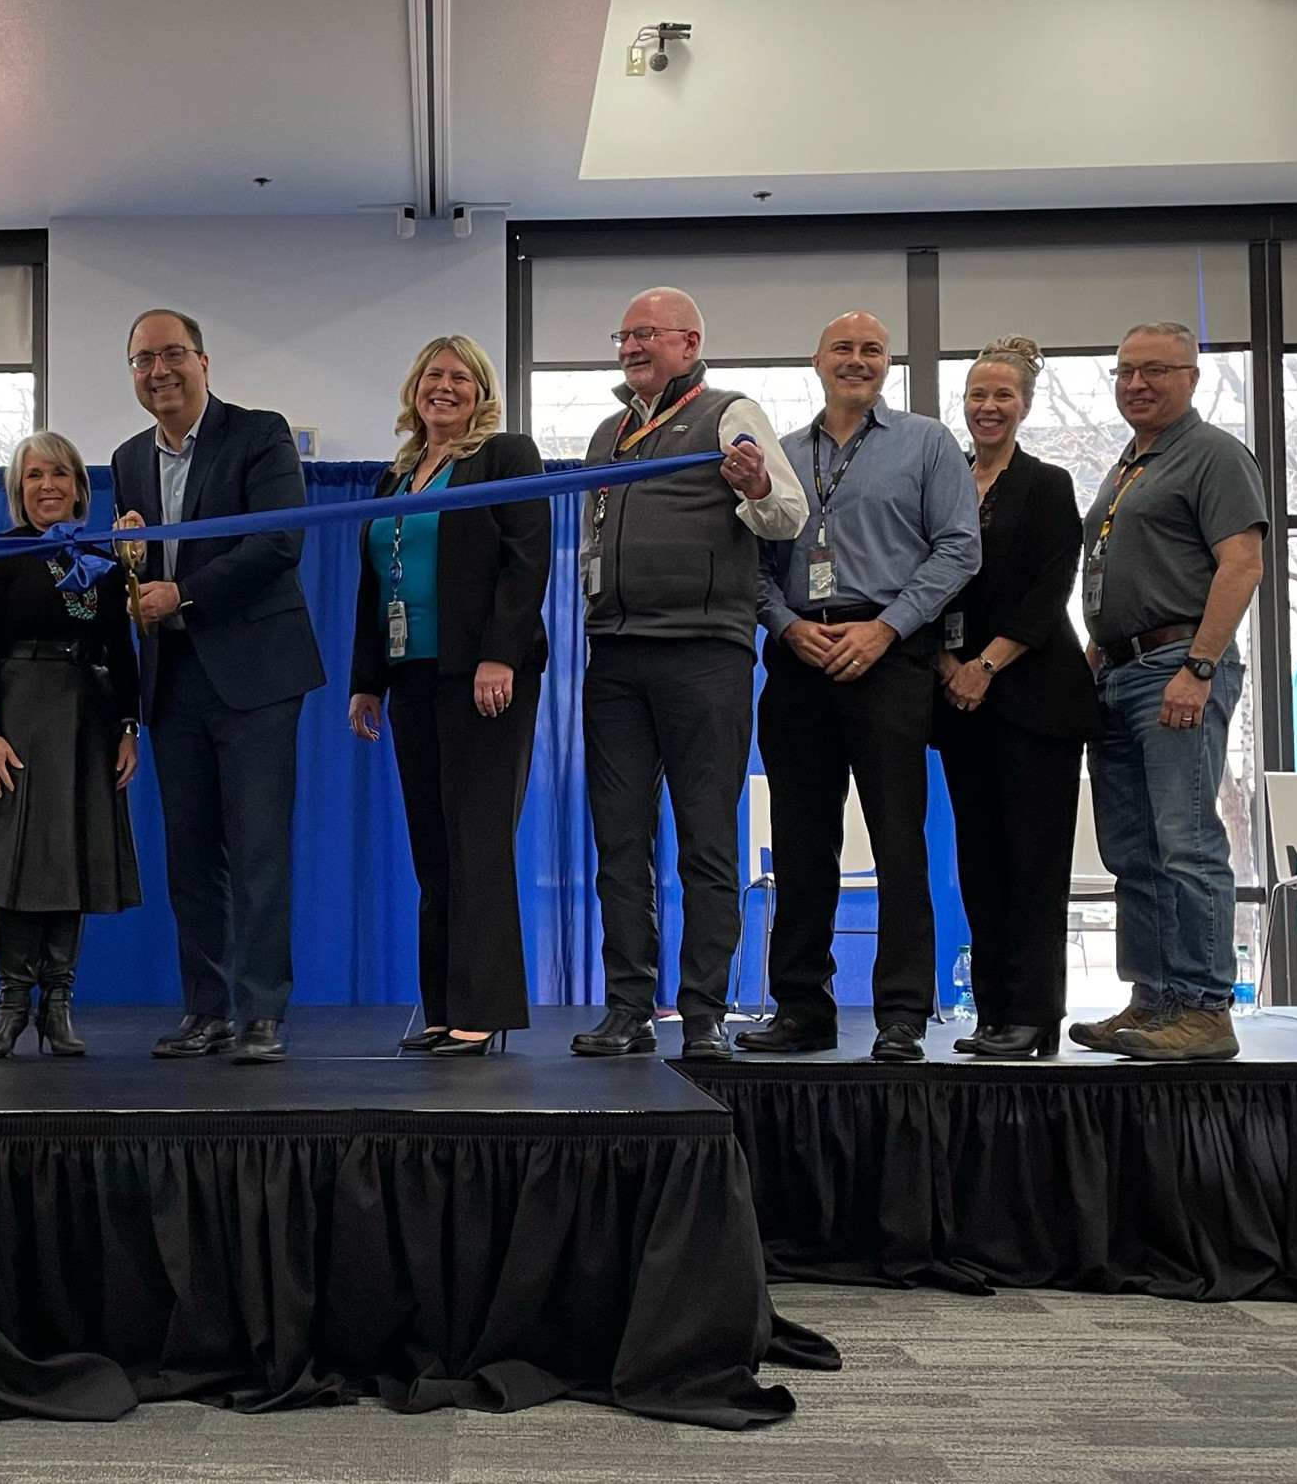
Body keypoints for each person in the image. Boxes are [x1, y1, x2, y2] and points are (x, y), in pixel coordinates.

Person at [568, 287, 808, 1063]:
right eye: (623, 334)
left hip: (703, 652)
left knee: (706, 842)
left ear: (689, 340)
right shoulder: (608, 432)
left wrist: (757, 486)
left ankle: (702, 1013)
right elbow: (590, 536)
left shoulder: (729, 411)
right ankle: (627, 1009)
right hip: (615, 656)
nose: (631, 346)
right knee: (618, 842)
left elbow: (787, 517)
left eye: (646, 334)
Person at [742, 311, 981, 1064]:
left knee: (897, 841)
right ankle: (800, 1009)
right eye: (842, 348)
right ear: (815, 360)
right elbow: (747, 566)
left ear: (887, 364)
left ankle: (904, 1013)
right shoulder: (778, 457)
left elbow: (958, 548)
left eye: (870, 349)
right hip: (797, 656)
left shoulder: (926, 443)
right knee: (800, 842)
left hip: (888, 656)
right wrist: (784, 625)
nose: (856, 359)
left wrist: (887, 628)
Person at [111, 310, 324, 1064]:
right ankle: (207, 1012)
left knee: (259, 850)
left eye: (172, 355)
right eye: (143, 359)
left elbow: (277, 542)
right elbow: (138, 569)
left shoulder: (258, 433)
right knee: (190, 858)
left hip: (256, 675)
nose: (159, 370)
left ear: (204, 360)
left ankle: (262, 1011)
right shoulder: (128, 457)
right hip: (172, 682)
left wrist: (183, 595)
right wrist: (133, 568)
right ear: (131, 373)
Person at [346, 336, 551, 1056]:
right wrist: (364, 679)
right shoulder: (394, 477)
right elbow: (377, 583)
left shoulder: (505, 456)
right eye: (432, 374)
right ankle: (441, 1006)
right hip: (409, 679)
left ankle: (483, 1006)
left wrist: (498, 655)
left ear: (480, 390)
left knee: (477, 843)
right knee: (432, 851)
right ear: (413, 387)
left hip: (483, 679)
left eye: (459, 376)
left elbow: (526, 561)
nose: (444, 386)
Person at [1071, 321, 1265, 1063]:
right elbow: (1111, 579)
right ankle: (1153, 1000)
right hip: (1116, 671)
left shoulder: (1212, 454)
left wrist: (1199, 666)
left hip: (1175, 666)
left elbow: (1239, 564)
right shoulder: (1127, 463)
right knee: (1132, 849)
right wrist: (1091, 660)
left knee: (1184, 840)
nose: (1135, 384)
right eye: (1123, 371)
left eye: (1153, 370)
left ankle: (1205, 1009)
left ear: (1190, 377)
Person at [0, 432, 141, 1058]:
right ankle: (12, 1006)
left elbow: (120, 652)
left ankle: (57, 1007)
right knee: (16, 867)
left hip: (83, 720)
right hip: (15, 717)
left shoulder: (104, 561)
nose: (47, 485)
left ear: (79, 485)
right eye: (32, 476)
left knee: (68, 861)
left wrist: (128, 726)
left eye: (59, 474)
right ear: (17, 490)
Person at [931, 336, 1100, 1058]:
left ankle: (1033, 1017)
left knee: (1032, 864)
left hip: (1033, 698)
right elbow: (926, 581)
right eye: (976, 394)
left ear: (1023, 405)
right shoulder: (941, 481)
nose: (987, 406)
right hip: (958, 702)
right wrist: (946, 662)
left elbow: (1049, 587)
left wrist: (985, 665)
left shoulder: (1048, 482)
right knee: (979, 863)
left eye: (1001, 395)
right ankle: (990, 1012)